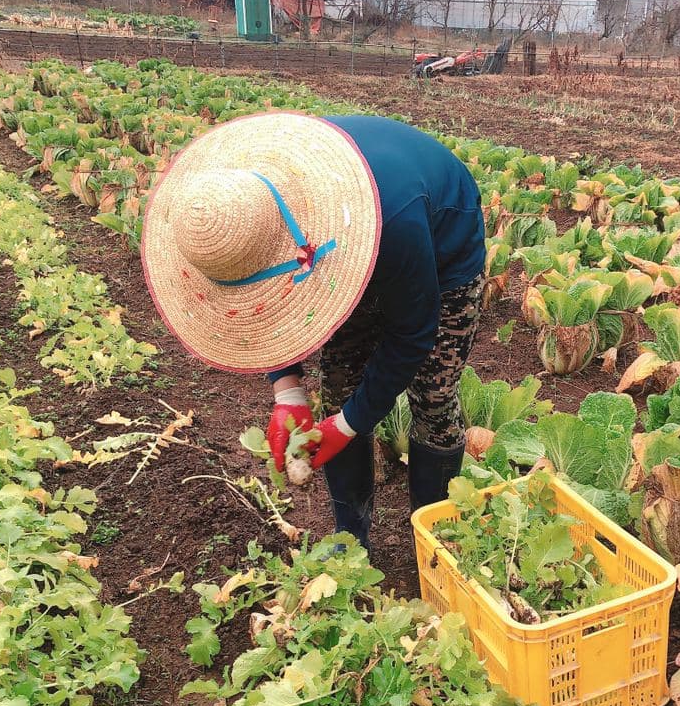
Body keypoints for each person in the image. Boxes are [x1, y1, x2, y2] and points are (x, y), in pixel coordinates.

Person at [141, 111, 485, 552]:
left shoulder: (395, 220)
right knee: (342, 384)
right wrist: (288, 393)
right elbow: (275, 304)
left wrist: (348, 425)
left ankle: (433, 536)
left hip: (439, 238)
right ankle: (350, 536)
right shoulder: (249, 200)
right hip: (343, 238)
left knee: (434, 397)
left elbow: (413, 333)